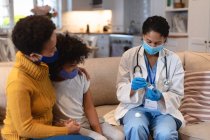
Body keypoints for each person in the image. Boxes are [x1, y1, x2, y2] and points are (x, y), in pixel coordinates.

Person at [1, 15, 92, 140]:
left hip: (44, 131)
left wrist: (74, 68)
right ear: (34, 55)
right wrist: (65, 130)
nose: (56, 51)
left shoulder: (41, 65)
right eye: (52, 49)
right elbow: (25, 129)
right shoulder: (18, 83)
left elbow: (58, 67)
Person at [114, 15, 184, 140]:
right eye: (148, 41)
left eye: (157, 43)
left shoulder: (174, 60)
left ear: (165, 40)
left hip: (163, 110)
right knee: (136, 127)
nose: (152, 46)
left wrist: (161, 96)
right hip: (136, 107)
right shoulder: (129, 56)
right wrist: (132, 88)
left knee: (165, 134)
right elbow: (120, 89)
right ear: (143, 36)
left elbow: (178, 94)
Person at [48, 32, 125, 140]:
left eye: (77, 65)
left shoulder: (81, 77)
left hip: (87, 120)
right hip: (71, 126)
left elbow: (89, 108)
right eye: (72, 66)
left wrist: (99, 132)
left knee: (119, 136)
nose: (75, 69)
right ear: (57, 65)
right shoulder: (48, 82)